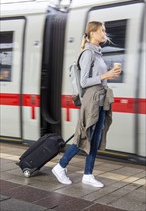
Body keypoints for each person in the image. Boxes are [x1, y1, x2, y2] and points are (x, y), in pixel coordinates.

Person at [52, 21, 121, 187]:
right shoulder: (88, 53)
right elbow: (83, 82)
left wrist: (109, 76)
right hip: (92, 100)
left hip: (102, 99)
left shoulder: (98, 53)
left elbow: (98, 78)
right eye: (102, 30)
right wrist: (105, 76)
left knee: (95, 139)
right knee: (85, 136)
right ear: (93, 33)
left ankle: (88, 175)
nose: (105, 33)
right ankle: (60, 166)